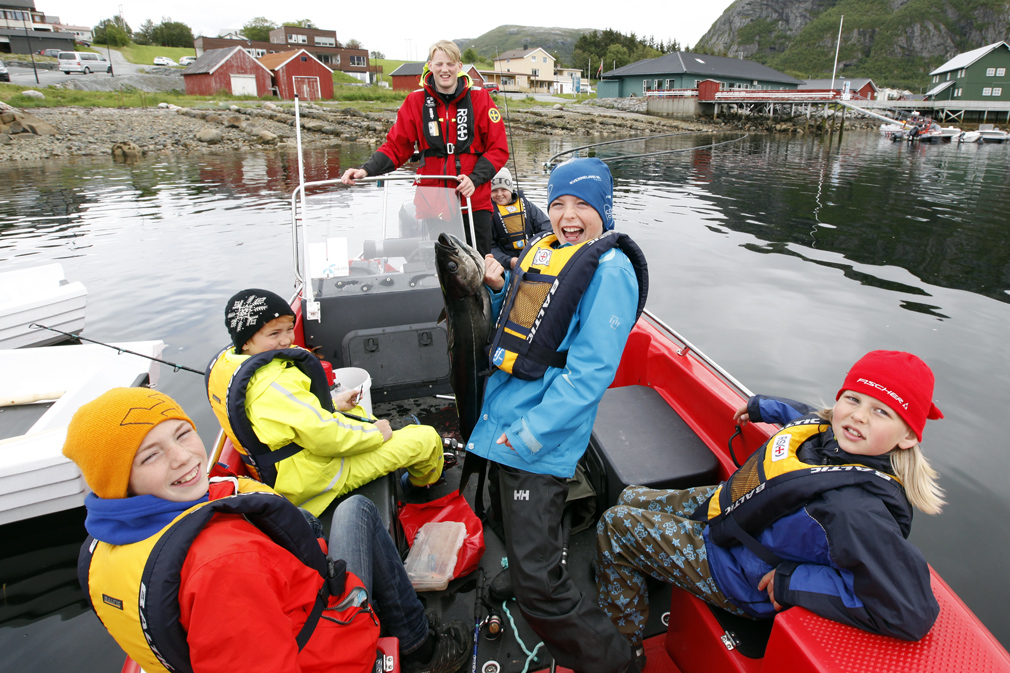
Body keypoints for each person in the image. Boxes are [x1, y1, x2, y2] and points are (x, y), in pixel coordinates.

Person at [64, 387, 471, 673]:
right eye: (150, 456)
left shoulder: (98, 550)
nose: (182, 457)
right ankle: (421, 648)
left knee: (323, 519)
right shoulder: (222, 565)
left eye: (182, 433)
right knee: (356, 511)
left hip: (289, 616)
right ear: (120, 481)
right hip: (332, 648)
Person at [596, 350, 946, 667]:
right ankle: (646, 570)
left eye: (881, 411)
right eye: (853, 399)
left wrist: (793, 582)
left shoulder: (854, 511)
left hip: (739, 572)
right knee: (631, 497)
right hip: (734, 515)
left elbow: (910, 610)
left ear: (908, 436)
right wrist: (763, 406)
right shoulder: (837, 434)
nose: (858, 416)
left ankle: (622, 653)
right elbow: (807, 416)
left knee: (616, 525)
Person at [467, 158, 649, 673]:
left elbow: (589, 376)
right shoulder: (545, 250)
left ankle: (618, 663)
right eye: (558, 204)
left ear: (604, 210)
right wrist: (498, 287)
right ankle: (525, 570)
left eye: (583, 205)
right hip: (504, 417)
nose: (568, 216)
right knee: (502, 515)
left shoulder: (610, 271)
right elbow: (523, 323)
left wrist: (529, 435)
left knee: (541, 588)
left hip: (536, 438)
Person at [206, 288, 444, 516]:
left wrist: (333, 404)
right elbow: (325, 437)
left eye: (289, 329)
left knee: (358, 411)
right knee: (426, 439)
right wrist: (377, 435)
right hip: (315, 479)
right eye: (274, 334)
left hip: (290, 469)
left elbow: (284, 417)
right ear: (246, 341)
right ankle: (417, 486)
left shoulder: (232, 365)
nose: (286, 340)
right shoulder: (273, 384)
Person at [340, 40, 509, 257]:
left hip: (473, 201)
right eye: (439, 64)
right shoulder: (415, 101)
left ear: (459, 66)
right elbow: (396, 146)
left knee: (480, 263)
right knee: (441, 265)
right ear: (430, 66)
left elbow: (498, 148)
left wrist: (474, 179)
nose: (445, 70)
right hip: (433, 203)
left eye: (450, 64)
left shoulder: (480, 99)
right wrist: (366, 169)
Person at [488, 166, 551, 269]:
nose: (499, 194)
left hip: (532, 257)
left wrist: (537, 251)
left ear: (510, 189)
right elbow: (488, 246)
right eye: (494, 190)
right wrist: (510, 261)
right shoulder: (488, 212)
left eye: (504, 189)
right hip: (505, 264)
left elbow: (547, 229)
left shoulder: (527, 206)